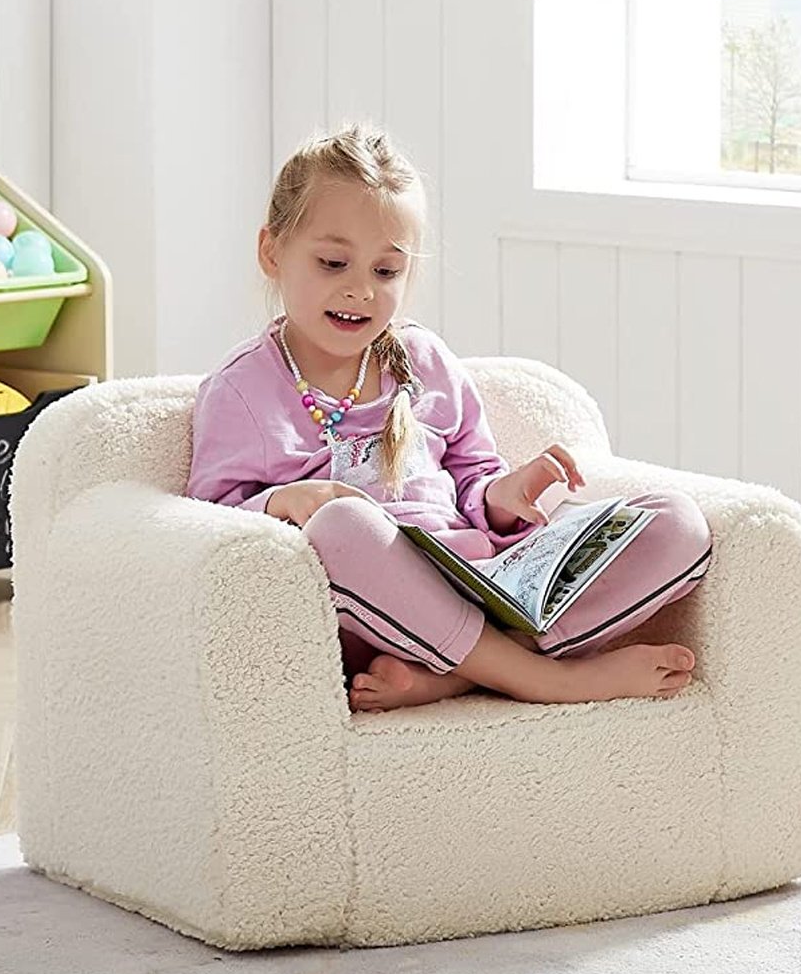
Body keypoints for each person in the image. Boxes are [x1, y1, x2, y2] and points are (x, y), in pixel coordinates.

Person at [188, 125, 712, 712]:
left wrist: (507, 495)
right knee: (342, 524)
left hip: (477, 581)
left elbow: (473, 478)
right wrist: (283, 501)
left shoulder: (425, 360)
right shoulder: (240, 389)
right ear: (272, 251)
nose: (360, 289)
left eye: (386, 271)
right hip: (369, 611)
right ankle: (548, 679)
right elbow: (206, 527)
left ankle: (464, 673)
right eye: (333, 263)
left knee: (677, 523)